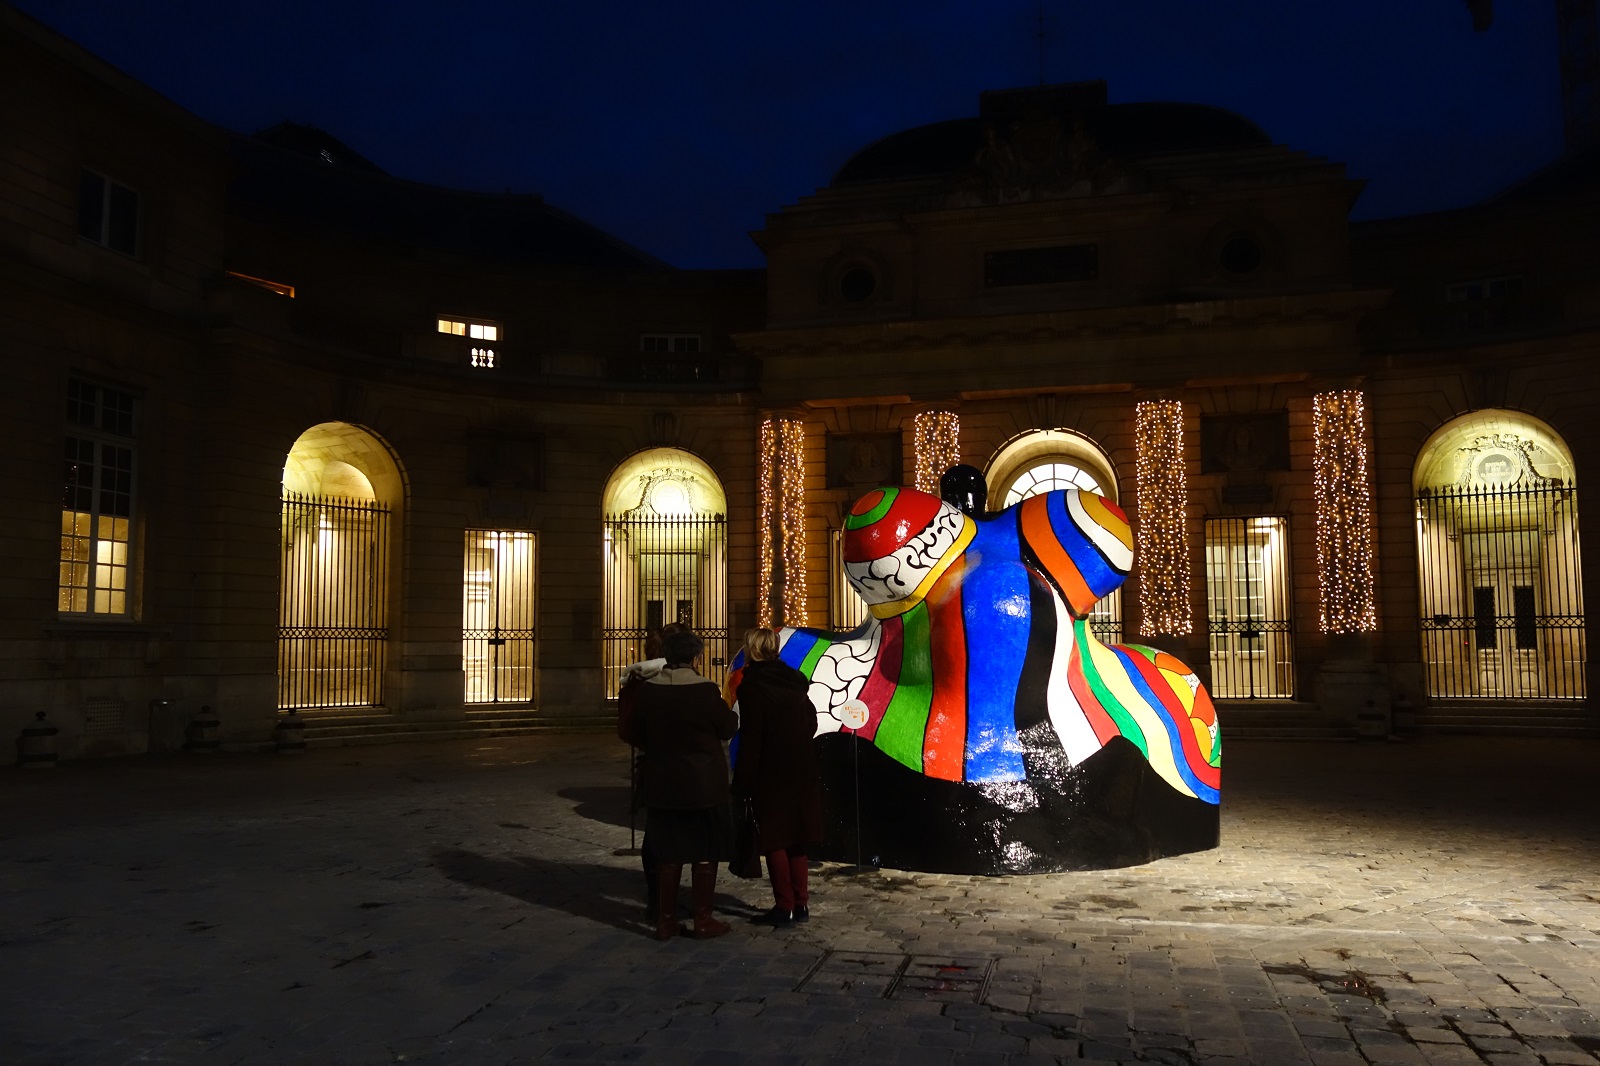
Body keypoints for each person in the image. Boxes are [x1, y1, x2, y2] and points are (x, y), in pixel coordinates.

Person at [621, 627, 738, 940]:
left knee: (667, 853)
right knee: (705, 851)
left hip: (662, 783)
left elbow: (631, 732)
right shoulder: (705, 690)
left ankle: (665, 921)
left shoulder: (649, 690)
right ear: (696, 656)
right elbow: (727, 728)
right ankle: (703, 919)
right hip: (703, 784)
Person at [730, 627, 823, 928]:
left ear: (752, 650)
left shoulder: (752, 686)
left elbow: (751, 737)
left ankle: (784, 905)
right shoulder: (793, 682)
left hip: (769, 770)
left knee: (773, 840)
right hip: (801, 767)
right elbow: (811, 720)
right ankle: (802, 903)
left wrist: (742, 781)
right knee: (797, 839)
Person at [617, 622, 689, 919]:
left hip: (653, 762)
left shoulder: (636, 679)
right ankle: (667, 902)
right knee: (679, 834)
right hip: (682, 764)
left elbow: (627, 727)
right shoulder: (675, 679)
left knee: (656, 831)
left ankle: (657, 898)